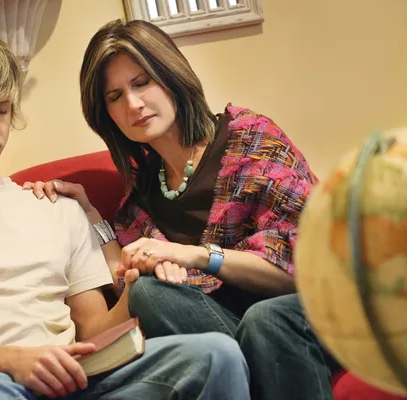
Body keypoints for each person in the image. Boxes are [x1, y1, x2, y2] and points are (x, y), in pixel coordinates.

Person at [0, 27, 251, 400]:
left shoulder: (55, 208)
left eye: (2, 110)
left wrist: (135, 287)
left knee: (216, 353)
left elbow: (94, 330)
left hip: (81, 380)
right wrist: (15, 361)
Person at [26, 19, 341, 400]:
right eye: (114, 97)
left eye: (142, 82)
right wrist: (89, 213)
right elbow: (124, 275)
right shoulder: (142, 195)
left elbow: (306, 266)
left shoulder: (251, 139)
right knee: (148, 293)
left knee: (265, 319)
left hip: (297, 316)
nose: (133, 104)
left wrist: (195, 255)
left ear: (170, 74)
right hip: (224, 334)